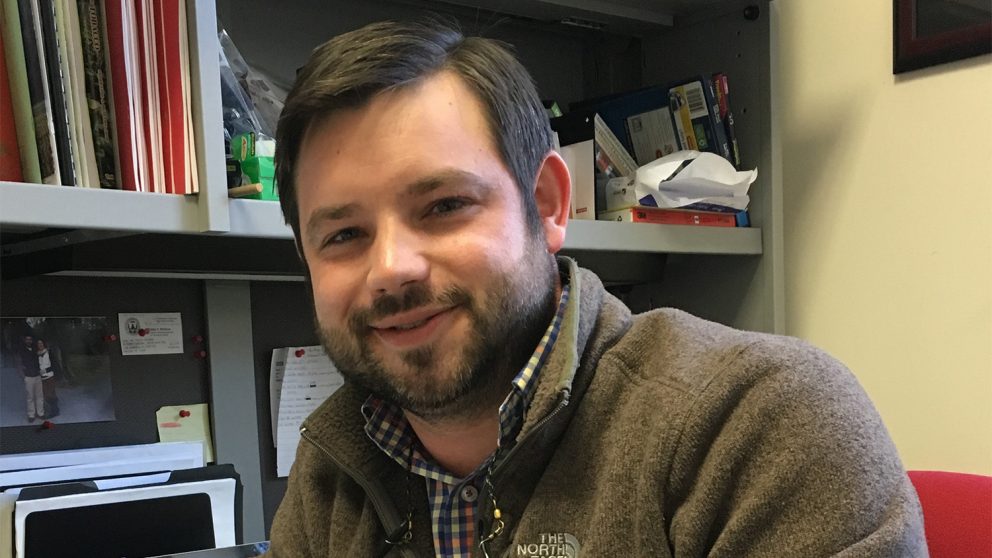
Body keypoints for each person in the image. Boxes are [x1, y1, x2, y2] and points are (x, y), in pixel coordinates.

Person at [267, 19, 926, 557]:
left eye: (443, 206)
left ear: (551, 204)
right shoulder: (334, 468)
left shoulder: (756, 423)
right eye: (344, 235)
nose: (390, 268)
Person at [19, 334, 44, 423]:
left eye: (30, 339)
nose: (29, 341)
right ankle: (31, 415)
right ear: (25, 340)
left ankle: (40, 413)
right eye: (27, 339)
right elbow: (20, 364)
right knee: (30, 397)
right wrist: (23, 375)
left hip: (37, 376)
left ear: (32, 340)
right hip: (28, 376)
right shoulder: (22, 351)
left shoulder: (36, 349)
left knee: (39, 396)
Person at [36, 338, 60, 419]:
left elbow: (54, 364)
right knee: (46, 394)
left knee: (51, 393)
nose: (40, 345)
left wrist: (46, 370)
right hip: (42, 378)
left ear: (44, 344)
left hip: (50, 376)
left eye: (41, 343)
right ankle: (53, 409)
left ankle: (55, 411)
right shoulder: (37, 354)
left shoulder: (48, 352)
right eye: (38, 344)